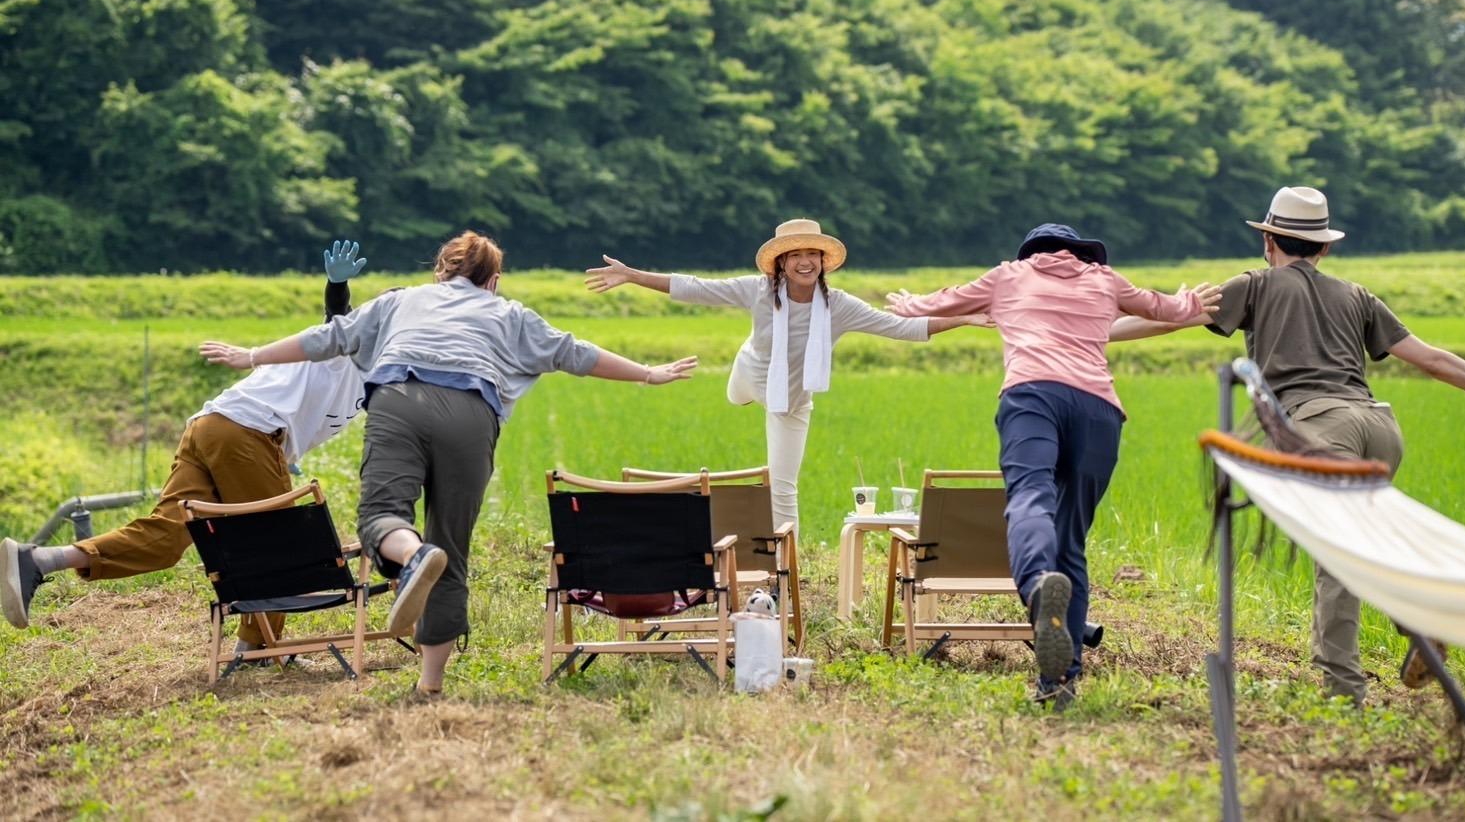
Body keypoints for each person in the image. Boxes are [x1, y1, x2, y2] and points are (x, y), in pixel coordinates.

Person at [1111, 186, 1465, 705]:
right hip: (1378, 427)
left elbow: (1170, 317)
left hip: (1320, 428)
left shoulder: (1253, 286)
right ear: (1323, 248)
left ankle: (1344, 691)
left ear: (1268, 241)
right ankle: (1419, 615)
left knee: (1338, 555)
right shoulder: (1356, 295)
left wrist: (1087, 330)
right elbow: (1433, 359)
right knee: (1364, 540)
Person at [198, 230, 697, 696]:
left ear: (440, 270)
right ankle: (429, 684)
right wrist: (648, 374)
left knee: (382, 516)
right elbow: (575, 353)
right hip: (472, 413)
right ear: (494, 281)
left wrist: (251, 355)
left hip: (399, 400)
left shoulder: (401, 300)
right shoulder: (510, 313)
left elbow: (329, 337)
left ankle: (411, 556)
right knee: (450, 547)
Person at [886, 223, 1220, 707]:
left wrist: (908, 302)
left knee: (1030, 497)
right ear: (1078, 253)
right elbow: (1166, 309)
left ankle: (1039, 586)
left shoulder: (1008, 276)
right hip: (1098, 413)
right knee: (1072, 541)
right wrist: (1192, 301)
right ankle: (1059, 682)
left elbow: (938, 303)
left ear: (1030, 254)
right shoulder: (1104, 280)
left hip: (1033, 397)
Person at [2, 240, 372, 651]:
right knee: (278, 542)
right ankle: (257, 650)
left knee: (167, 537)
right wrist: (337, 286)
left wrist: (287, 453)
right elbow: (337, 315)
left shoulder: (380, 378)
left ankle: (37, 560)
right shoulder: (349, 348)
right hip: (247, 433)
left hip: (214, 428)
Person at [584, 218, 992, 535]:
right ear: (780, 262)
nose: (804, 261)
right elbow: (697, 288)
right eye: (794, 254)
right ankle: (741, 388)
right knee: (738, 390)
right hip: (750, 370)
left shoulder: (840, 306)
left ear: (822, 261)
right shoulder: (757, 290)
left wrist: (967, 318)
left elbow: (903, 328)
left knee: (783, 486)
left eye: (812, 254)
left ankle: (786, 566)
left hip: (792, 399)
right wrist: (634, 275)